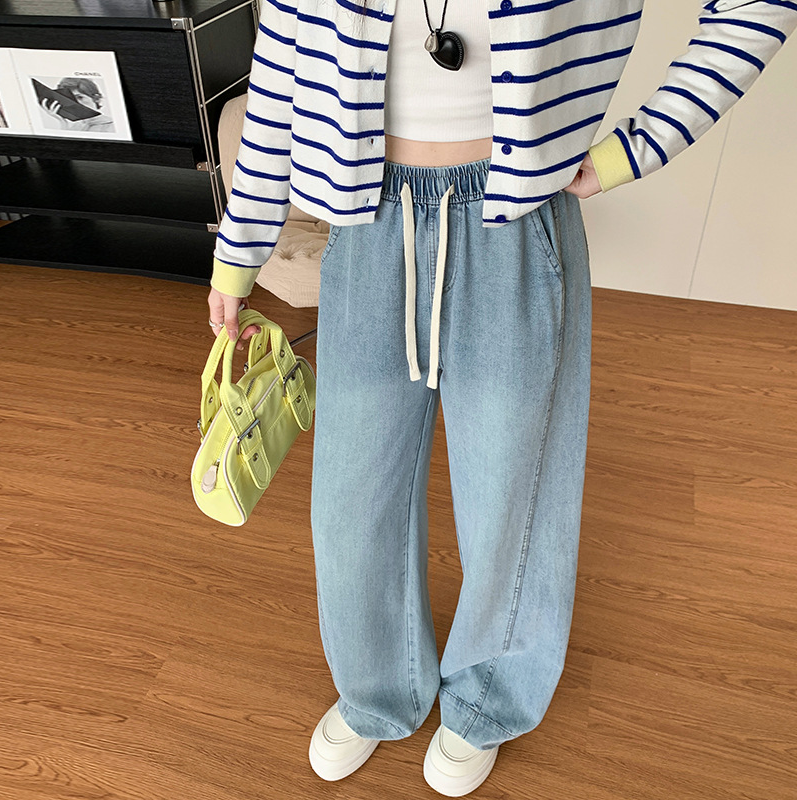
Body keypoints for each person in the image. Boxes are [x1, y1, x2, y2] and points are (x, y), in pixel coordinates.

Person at [206, 1, 795, 795]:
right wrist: (238, 251)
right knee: (352, 493)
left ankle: (488, 696)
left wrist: (638, 146)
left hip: (514, 221)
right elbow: (280, 66)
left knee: (515, 491)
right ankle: (377, 689)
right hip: (366, 220)